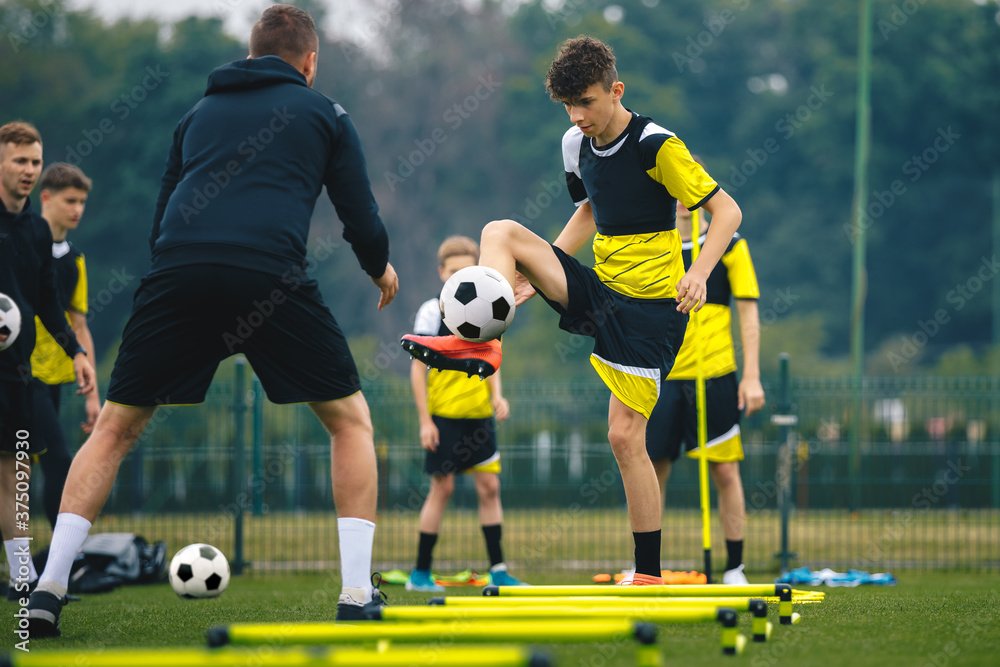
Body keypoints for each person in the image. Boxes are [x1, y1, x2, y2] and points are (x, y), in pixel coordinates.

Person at [27, 4, 398, 636]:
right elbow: (356, 208)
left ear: (252, 54)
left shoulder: (196, 114)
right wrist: (379, 267)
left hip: (179, 272)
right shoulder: (325, 112)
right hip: (269, 275)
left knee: (114, 429)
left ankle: (48, 591)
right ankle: (357, 594)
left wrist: (172, 277)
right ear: (309, 61)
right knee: (350, 422)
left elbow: (165, 208)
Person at [403, 36, 742, 585]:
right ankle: (478, 342)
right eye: (568, 106)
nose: (577, 116)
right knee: (500, 232)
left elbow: (727, 212)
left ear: (616, 90)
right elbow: (589, 210)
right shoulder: (573, 143)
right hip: (602, 290)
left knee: (625, 438)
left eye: (586, 102)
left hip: (653, 310)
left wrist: (698, 272)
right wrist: (547, 270)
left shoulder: (657, 145)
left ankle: (648, 575)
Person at [645, 199, 765, 585]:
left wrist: (752, 376)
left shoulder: (730, 244)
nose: (681, 201)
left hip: (714, 373)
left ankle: (734, 567)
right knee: (651, 469)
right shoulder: (651, 245)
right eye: (673, 191)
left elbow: (748, 311)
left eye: (688, 190)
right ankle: (646, 566)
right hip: (661, 375)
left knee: (725, 470)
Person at [0, 121, 95, 603]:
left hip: (16, 370)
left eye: (35, 161)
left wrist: (76, 352)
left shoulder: (36, 232)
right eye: (19, 160)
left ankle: (23, 580)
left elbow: (49, 303)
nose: (29, 170)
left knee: (14, 472)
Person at [406, 235, 523, 592]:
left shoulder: (489, 308)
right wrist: (425, 421)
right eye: (454, 270)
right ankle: (420, 574)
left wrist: (497, 397)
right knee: (442, 489)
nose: (459, 275)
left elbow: (493, 357)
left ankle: (499, 570)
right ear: (442, 272)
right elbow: (416, 370)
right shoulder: (431, 311)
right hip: (445, 418)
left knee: (490, 488)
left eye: (467, 269)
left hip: (479, 417)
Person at [30, 164, 101, 536]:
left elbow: (79, 323)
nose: (77, 209)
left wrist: (93, 394)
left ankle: (40, 567)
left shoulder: (75, 259)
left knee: (34, 464)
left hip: (56, 376)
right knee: (54, 460)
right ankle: (56, 566)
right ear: (46, 198)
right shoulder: (22, 245)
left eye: (82, 202)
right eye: (69, 200)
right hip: (22, 373)